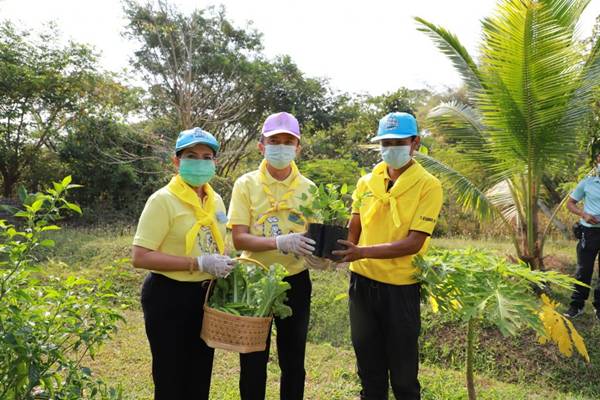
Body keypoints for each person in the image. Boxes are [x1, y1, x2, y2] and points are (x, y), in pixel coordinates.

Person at [333, 112, 443, 400]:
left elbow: (413, 243)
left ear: (415, 143)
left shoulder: (428, 185)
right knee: (369, 370)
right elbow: (355, 226)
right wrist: (336, 251)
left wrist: (360, 252)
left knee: (404, 375)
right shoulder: (366, 182)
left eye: (398, 142)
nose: (390, 148)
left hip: (400, 288)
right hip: (361, 284)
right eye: (385, 142)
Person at [131, 127, 234, 400]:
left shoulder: (216, 200)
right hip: (168, 296)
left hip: (204, 297)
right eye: (191, 156)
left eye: (206, 157)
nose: (200, 162)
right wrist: (197, 262)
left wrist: (222, 261)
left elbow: (217, 239)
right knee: (170, 377)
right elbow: (140, 256)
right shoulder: (163, 200)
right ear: (176, 161)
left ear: (214, 162)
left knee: (199, 376)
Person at [227, 111, 324, 400]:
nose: (281, 147)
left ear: (298, 148)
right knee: (252, 360)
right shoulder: (245, 184)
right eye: (274, 141)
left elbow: (315, 238)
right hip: (254, 280)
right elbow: (238, 238)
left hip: (295, 280)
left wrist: (320, 257)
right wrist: (279, 242)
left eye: (288, 141)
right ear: (261, 146)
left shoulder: (309, 188)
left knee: (293, 360)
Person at [563, 150, 600, 321]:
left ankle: (599, 307)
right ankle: (576, 305)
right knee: (583, 270)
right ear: (598, 160)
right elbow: (570, 203)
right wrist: (584, 215)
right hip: (588, 232)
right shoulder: (587, 183)